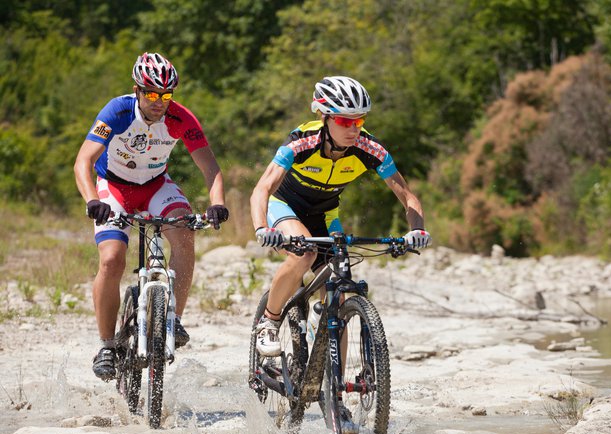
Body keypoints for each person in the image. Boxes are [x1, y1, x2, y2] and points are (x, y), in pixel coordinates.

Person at [250, 75, 431, 359]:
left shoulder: (370, 150)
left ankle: (334, 396)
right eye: (345, 122)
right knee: (305, 254)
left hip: (324, 214)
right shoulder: (301, 142)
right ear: (324, 117)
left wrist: (417, 230)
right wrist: (262, 227)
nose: (353, 129)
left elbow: (407, 195)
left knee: (338, 295)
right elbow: (262, 189)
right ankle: (269, 322)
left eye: (358, 121)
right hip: (285, 206)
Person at [75, 52, 229, 381]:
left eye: (167, 95)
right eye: (152, 94)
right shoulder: (116, 111)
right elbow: (83, 161)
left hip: (156, 186)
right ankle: (106, 345)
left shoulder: (181, 117)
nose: (160, 102)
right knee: (113, 259)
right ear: (137, 90)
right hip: (113, 188)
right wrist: (91, 199)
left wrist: (217, 202)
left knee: (185, 236)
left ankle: (172, 320)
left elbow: (210, 166)